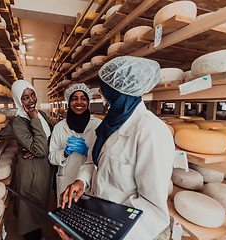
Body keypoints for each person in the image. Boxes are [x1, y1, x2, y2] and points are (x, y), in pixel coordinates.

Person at [54, 56, 175, 240]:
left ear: (117, 92)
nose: (102, 98)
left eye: (104, 93)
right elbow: (93, 161)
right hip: (98, 216)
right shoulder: (109, 124)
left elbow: (153, 209)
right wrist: (81, 181)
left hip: (120, 230)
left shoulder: (151, 131)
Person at [11, 80, 54, 240]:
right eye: (25, 98)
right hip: (32, 170)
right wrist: (34, 119)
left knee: (39, 206)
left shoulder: (42, 114)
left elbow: (50, 141)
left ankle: (38, 235)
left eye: (33, 95)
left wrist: (41, 149)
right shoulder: (19, 122)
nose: (31, 100)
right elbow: (41, 149)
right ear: (17, 100)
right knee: (29, 208)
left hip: (44, 167)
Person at [49, 83, 102, 205]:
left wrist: (88, 152)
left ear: (88, 102)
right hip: (66, 180)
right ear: (68, 102)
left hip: (89, 182)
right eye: (74, 98)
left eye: (83, 98)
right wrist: (64, 153)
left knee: (87, 218)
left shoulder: (98, 125)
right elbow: (51, 157)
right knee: (66, 216)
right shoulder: (59, 127)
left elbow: (104, 155)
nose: (79, 102)